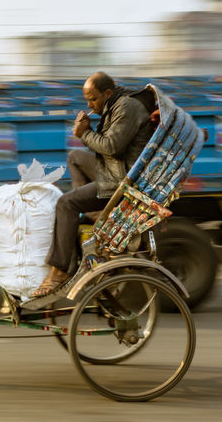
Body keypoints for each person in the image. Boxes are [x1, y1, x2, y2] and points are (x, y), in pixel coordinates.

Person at [30, 71, 155, 300]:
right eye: (87, 100)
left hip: (124, 179)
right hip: (116, 169)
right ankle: (96, 213)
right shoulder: (116, 104)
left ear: (108, 92)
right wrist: (88, 130)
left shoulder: (126, 107)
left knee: (66, 203)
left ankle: (59, 272)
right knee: (75, 156)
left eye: (93, 99)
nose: (89, 104)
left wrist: (85, 133)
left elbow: (111, 147)